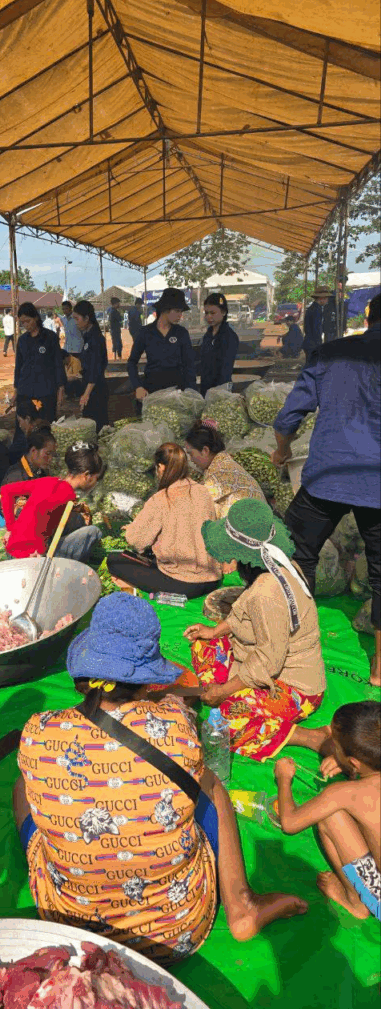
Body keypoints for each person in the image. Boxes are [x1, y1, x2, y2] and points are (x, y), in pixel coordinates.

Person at [14, 592, 307, 964]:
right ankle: (241, 903)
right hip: (175, 929)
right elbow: (173, 731)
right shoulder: (176, 726)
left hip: (76, 932)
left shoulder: (38, 731)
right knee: (208, 782)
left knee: (23, 784)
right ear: (147, 682)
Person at [272, 291, 380, 686]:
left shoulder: (330, 353)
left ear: (367, 319)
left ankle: (297, 645)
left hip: (328, 476)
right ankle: (380, 670)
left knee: (296, 552)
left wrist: (282, 451)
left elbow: (289, 418)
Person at [185, 499, 326, 762]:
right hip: (262, 659)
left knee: (225, 723)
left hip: (292, 685)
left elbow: (269, 661)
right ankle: (223, 688)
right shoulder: (279, 564)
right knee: (203, 643)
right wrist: (215, 632)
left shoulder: (266, 592)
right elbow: (244, 616)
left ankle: (311, 737)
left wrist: (224, 691)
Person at [275, 701, 380, 921]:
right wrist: (347, 763)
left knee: (330, 815)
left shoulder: (344, 793)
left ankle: (355, 903)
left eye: (336, 746)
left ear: (355, 762)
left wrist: (284, 779)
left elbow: (290, 823)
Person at [107, 443, 221, 597]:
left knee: (114, 560)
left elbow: (136, 540)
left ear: (160, 467)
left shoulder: (161, 499)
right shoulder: (203, 492)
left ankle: (131, 588)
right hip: (212, 579)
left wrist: (133, 528)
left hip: (183, 583)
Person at [1, 441, 103, 562]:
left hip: (12, 547)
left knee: (77, 520)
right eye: (96, 478)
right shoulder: (67, 495)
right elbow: (41, 521)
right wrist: (34, 551)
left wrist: (10, 528)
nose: (95, 483)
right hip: (29, 557)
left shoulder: (49, 481)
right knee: (94, 532)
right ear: (87, 475)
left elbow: (6, 491)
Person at [185, 422, 266, 518]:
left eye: (191, 454)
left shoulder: (220, 470)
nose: (191, 459)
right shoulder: (222, 462)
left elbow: (195, 501)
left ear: (205, 450)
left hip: (252, 523)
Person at [128, 287, 196, 400]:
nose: (180, 315)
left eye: (181, 311)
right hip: (151, 393)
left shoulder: (181, 333)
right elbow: (131, 362)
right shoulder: (145, 332)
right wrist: (138, 387)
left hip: (178, 394)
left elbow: (189, 365)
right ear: (165, 309)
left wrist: (191, 392)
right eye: (177, 311)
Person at [8, 302, 66, 427]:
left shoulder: (50, 337)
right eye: (22, 322)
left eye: (28, 321)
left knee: (44, 424)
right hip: (25, 391)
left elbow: (58, 364)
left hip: (45, 391)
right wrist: (16, 391)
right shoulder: (22, 340)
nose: (25, 325)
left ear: (35, 318)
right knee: (24, 425)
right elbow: (19, 367)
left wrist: (61, 389)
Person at [73, 299, 109, 431]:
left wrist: (86, 394)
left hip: (95, 390)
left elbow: (96, 368)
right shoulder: (88, 337)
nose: (76, 322)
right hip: (89, 386)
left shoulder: (96, 339)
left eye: (77, 319)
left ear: (87, 318)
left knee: (96, 427)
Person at [199, 293, 239, 396]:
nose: (208, 317)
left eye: (213, 313)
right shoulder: (207, 336)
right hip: (205, 388)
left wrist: (217, 393)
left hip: (221, 391)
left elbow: (226, 369)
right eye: (206, 313)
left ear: (224, 312)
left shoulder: (229, 337)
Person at [302, 286, 330, 360]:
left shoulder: (313, 308)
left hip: (309, 342)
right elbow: (316, 328)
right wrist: (319, 344)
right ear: (321, 298)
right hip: (313, 344)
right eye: (326, 298)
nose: (327, 300)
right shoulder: (316, 310)